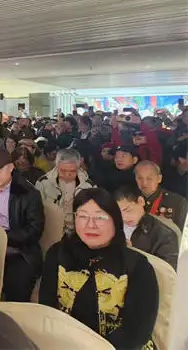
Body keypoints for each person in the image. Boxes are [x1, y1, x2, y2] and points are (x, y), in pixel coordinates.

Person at [40, 188, 158, 349]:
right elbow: (47, 310)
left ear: (115, 221)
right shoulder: (58, 253)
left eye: (100, 217)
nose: (90, 225)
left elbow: (136, 332)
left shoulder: (137, 266)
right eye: (83, 216)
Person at [0, 147, 44, 302]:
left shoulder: (28, 193)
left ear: (11, 168)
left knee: (16, 288)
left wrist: (3, 238)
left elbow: (34, 230)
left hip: (18, 250)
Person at [115, 185, 178, 269]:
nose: (124, 218)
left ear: (141, 201)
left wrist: (132, 254)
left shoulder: (164, 235)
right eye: (119, 213)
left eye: (128, 210)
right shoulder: (112, 226)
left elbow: (167, 272)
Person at [35, 148, 96, 234]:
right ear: (56, 165)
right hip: (50, 232)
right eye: (63, 170)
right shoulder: (43, 183)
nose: (68, 174)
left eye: (72, 171)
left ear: (78, 166)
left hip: (78, 234)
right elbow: (36, 212)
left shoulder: (89, 186)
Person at [135, 160, 187, 231]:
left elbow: (182, 232)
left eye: (149, 179)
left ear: (159, 178)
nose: (144, 183)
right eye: (139, 178)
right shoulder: (130, 199)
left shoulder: (178, 202)